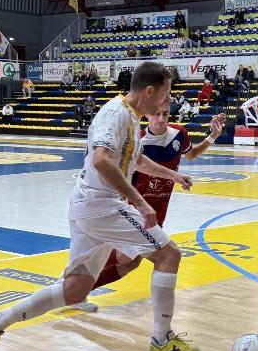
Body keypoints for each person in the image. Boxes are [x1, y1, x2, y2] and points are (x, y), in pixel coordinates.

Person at [0, 62, 202, 351]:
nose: (167, 101)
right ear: (150, 90)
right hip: (101, 204)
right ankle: (162, 339)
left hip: (90, 206)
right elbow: (101, 160)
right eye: (166, 93)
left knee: (74, 290)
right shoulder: (116, 114)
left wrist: (173, 176)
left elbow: (137, 161)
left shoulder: (131, 118)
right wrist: (140, 202)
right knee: (169, 255)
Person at [71, 110, 228, 312]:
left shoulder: (179, 133)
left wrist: (213, 135)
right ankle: (73, 289)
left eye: (165, 114)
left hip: (158, 210)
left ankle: (74, 290)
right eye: (156, 114)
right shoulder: (138, 140)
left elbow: (192, 154)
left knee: (130, 262)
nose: (161, 119)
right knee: (131, 257)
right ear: (147, 115)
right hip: (135, 208)